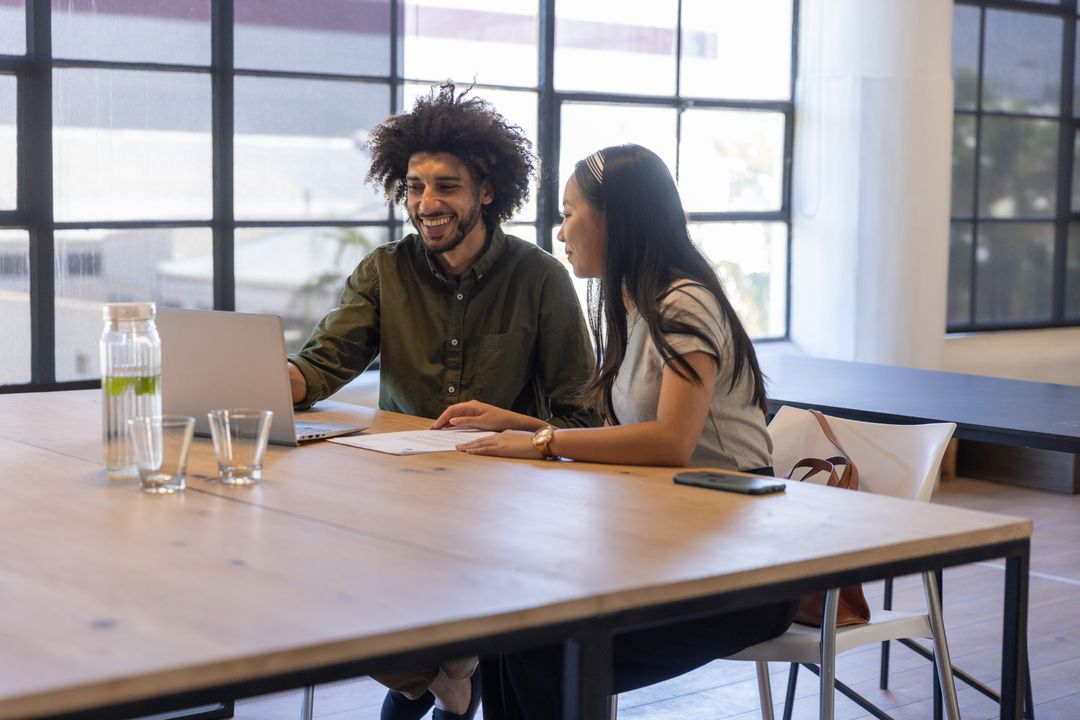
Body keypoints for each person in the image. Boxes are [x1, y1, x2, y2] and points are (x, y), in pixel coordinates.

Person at [432, 144, 797, 719]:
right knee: (510, 627)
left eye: (569, 212)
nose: (560, 232)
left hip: (741, 566)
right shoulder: (633, 303)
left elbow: (670, 442)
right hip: (677, 544)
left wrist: (541, 442)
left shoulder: (685, 304)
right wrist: (526, 424)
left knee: (540, 644)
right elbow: (624, 437)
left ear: (612, 217)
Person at [286, 83, 597, 720]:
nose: (426, 204)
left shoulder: (541, 279)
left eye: (446, 187)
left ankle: (450, 673)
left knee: (426, 619)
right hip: (401, 494)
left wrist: (517, 431)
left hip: (508, 504)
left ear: (486, 190)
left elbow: (580, 414)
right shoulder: (384, 271)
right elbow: (319, 367)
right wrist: (252, 379)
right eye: (414, 187)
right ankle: (451, 677)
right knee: (321, 579)